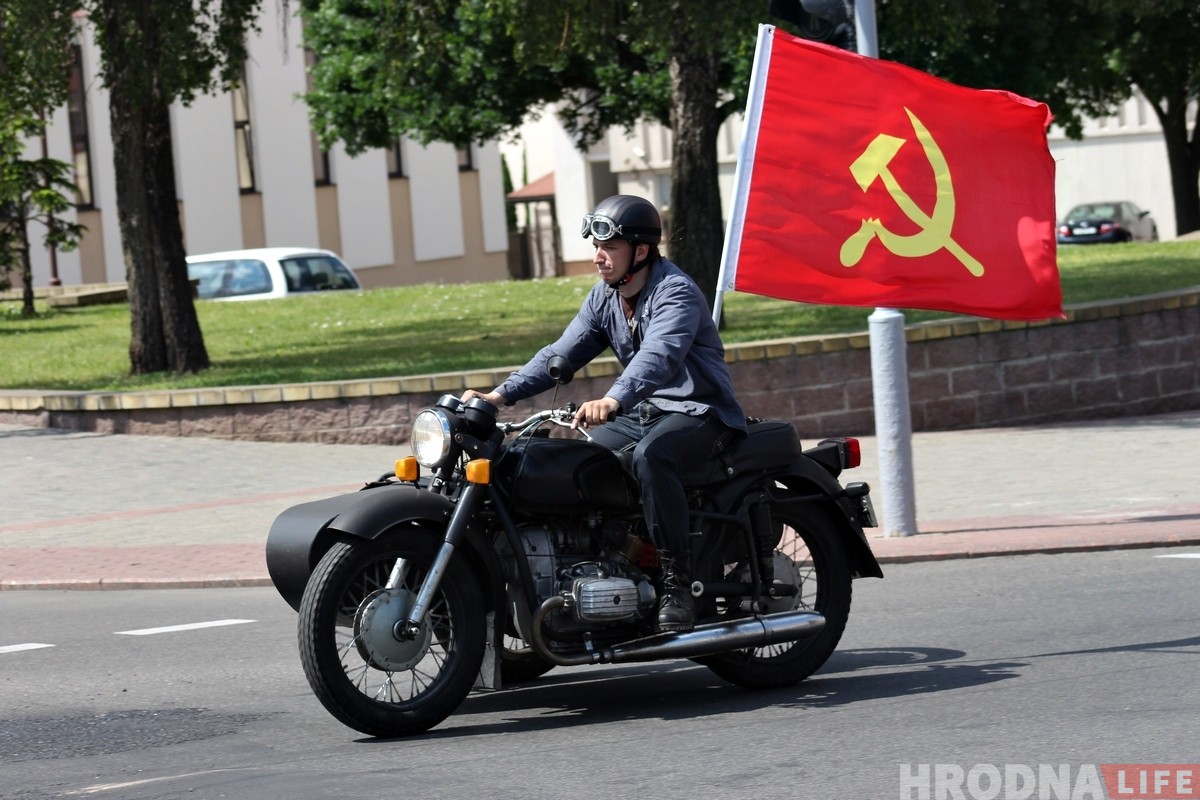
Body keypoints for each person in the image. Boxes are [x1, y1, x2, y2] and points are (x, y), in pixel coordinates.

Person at [464, 194, 746, 632]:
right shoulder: (604, 298)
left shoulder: (675, 291)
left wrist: (613, 399)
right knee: (571, 460)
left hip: (701, 412)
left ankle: (676, 583)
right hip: (647, 411)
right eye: (597, 247)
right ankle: (605, 563)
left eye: (609, 248)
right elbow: (559, 355)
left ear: (641, 250)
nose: (598, 257)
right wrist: (497, 397)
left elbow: (659, 357)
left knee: (654, 458)